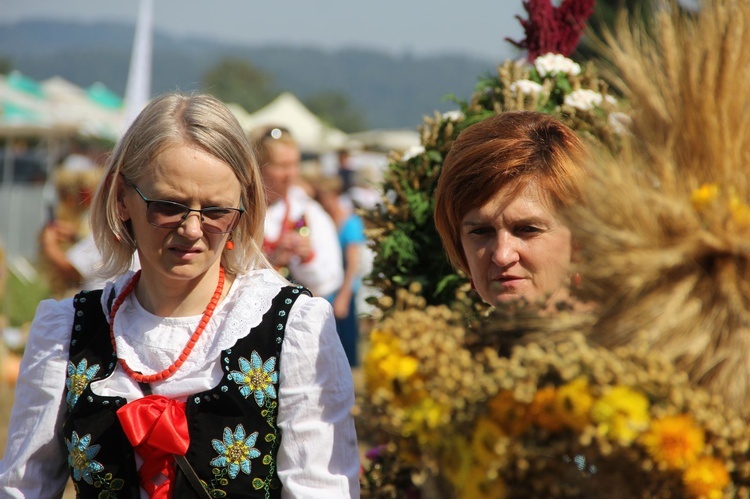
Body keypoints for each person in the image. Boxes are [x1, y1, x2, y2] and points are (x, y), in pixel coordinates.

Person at [0, 93, 360, 498]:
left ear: (243, 210)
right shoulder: (67, 330)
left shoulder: (292, 327)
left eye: (216, 211)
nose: (192, 229)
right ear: (122, 199)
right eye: (168, 206)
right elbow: (22, 488)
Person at [434, 111, 588, 308]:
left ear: (580, 240)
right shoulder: (444, 337)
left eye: (528, 229)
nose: (502, 256)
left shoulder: (627, 337)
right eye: (480, 231)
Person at [252, 126, 343, 299]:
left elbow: (331, 279)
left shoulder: (307, 211)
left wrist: (308, 257)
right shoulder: (239, 210)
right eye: (282, 166)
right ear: (258, 167)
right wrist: (272, 261)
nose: (291, 174)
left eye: (294, 164)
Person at [310, 175, 367, 367]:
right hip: (328, 292)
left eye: (322, 196)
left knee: (344, 350)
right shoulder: (324, 220)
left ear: (334, 194)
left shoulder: (350, 223)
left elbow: (353, 265)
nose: (319, 201)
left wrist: (344, 296)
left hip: (344, 291)